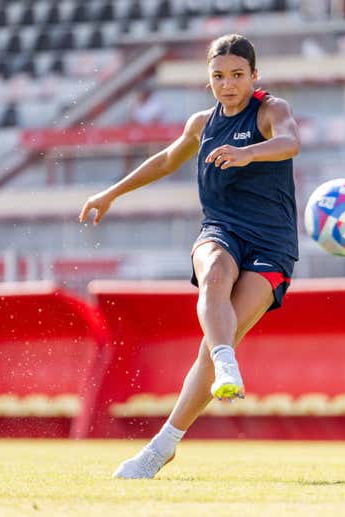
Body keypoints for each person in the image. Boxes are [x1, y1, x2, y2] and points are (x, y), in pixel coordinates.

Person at [79, 33, 300, 479]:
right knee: (214, 271)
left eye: (237, 75)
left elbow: (290, 143)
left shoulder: (272, 110)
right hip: (221, 229)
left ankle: (163, 446)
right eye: (218, 76)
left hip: (272, 244)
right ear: (209, 80)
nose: (228, 84)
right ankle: (225, 362)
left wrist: (246, 154)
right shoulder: (202, 123)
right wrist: (111, 193)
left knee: (215, 340)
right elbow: (164, 160)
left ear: (254, 76)